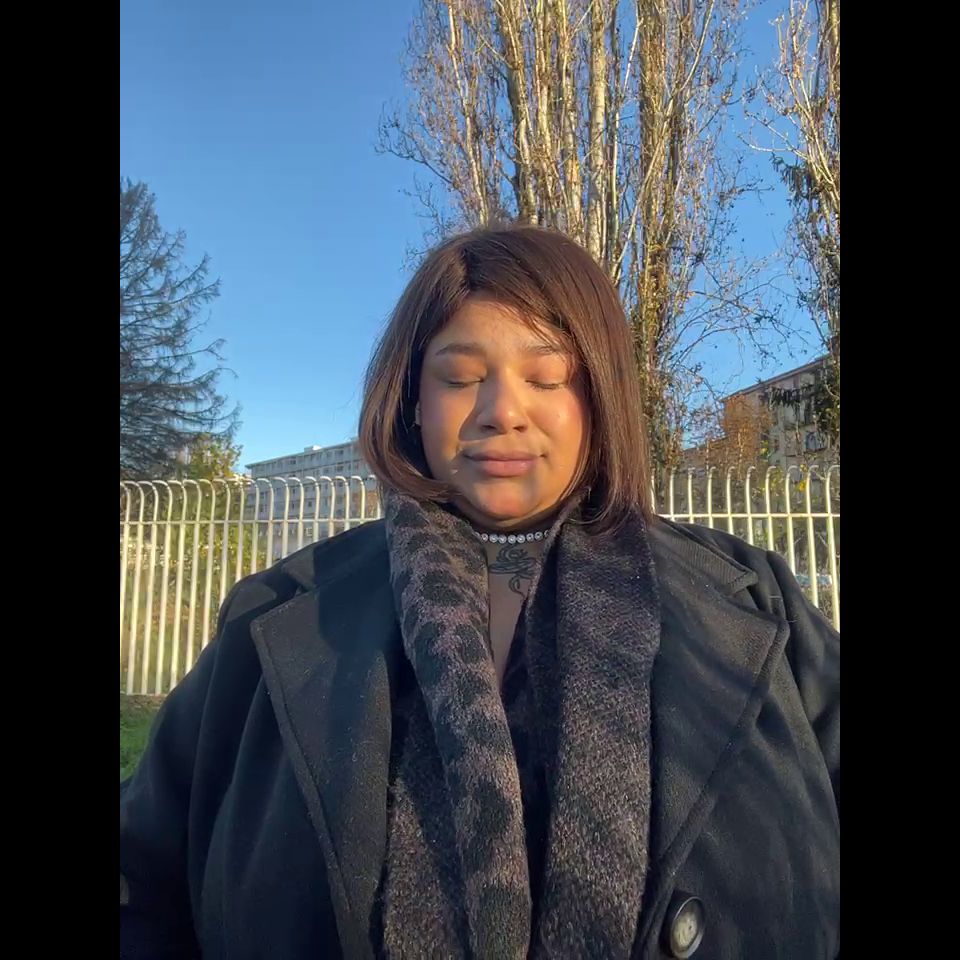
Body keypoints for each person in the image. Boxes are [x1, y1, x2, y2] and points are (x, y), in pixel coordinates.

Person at [120, 225, 840, 960]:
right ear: (412, 400)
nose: (502, 410)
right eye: (461, 378)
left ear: (601, 395)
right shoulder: (273, 617)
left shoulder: (758, 605)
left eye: (547, 377)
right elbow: (139, 885)